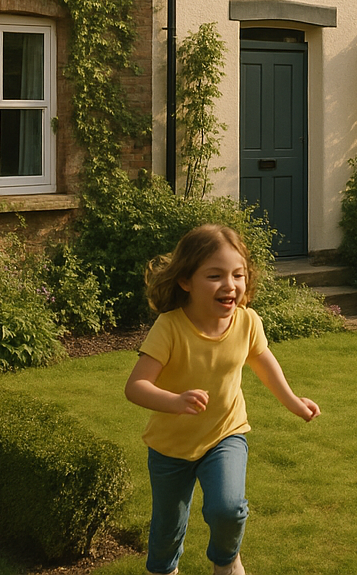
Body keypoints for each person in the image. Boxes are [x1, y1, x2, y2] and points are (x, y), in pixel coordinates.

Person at [125, 224, 319, 575]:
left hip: (225, 435)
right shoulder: (170, 327)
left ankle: (226, 561)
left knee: (228, 509)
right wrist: (175, 401)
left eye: (238, 275)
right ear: (186, 280)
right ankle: (163, 569)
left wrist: (292, 401)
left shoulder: (247, 322)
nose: (230, 285)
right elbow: (136, 386)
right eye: (215, 276)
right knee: (168, 528)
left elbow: (262, 360)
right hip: (171, 447)